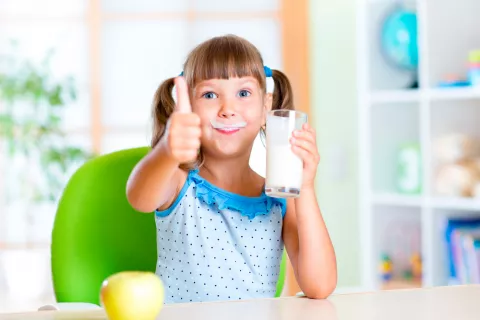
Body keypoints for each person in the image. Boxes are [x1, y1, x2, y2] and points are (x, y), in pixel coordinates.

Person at [126, 34, 336, 304]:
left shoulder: (279, 197)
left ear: (266, 109)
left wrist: (305, 187)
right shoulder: (179, 181)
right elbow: (139, 198)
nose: (228, 109)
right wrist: (167, 150)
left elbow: (320, 286)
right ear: (188, 107)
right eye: (210, 94)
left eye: (244, 93)